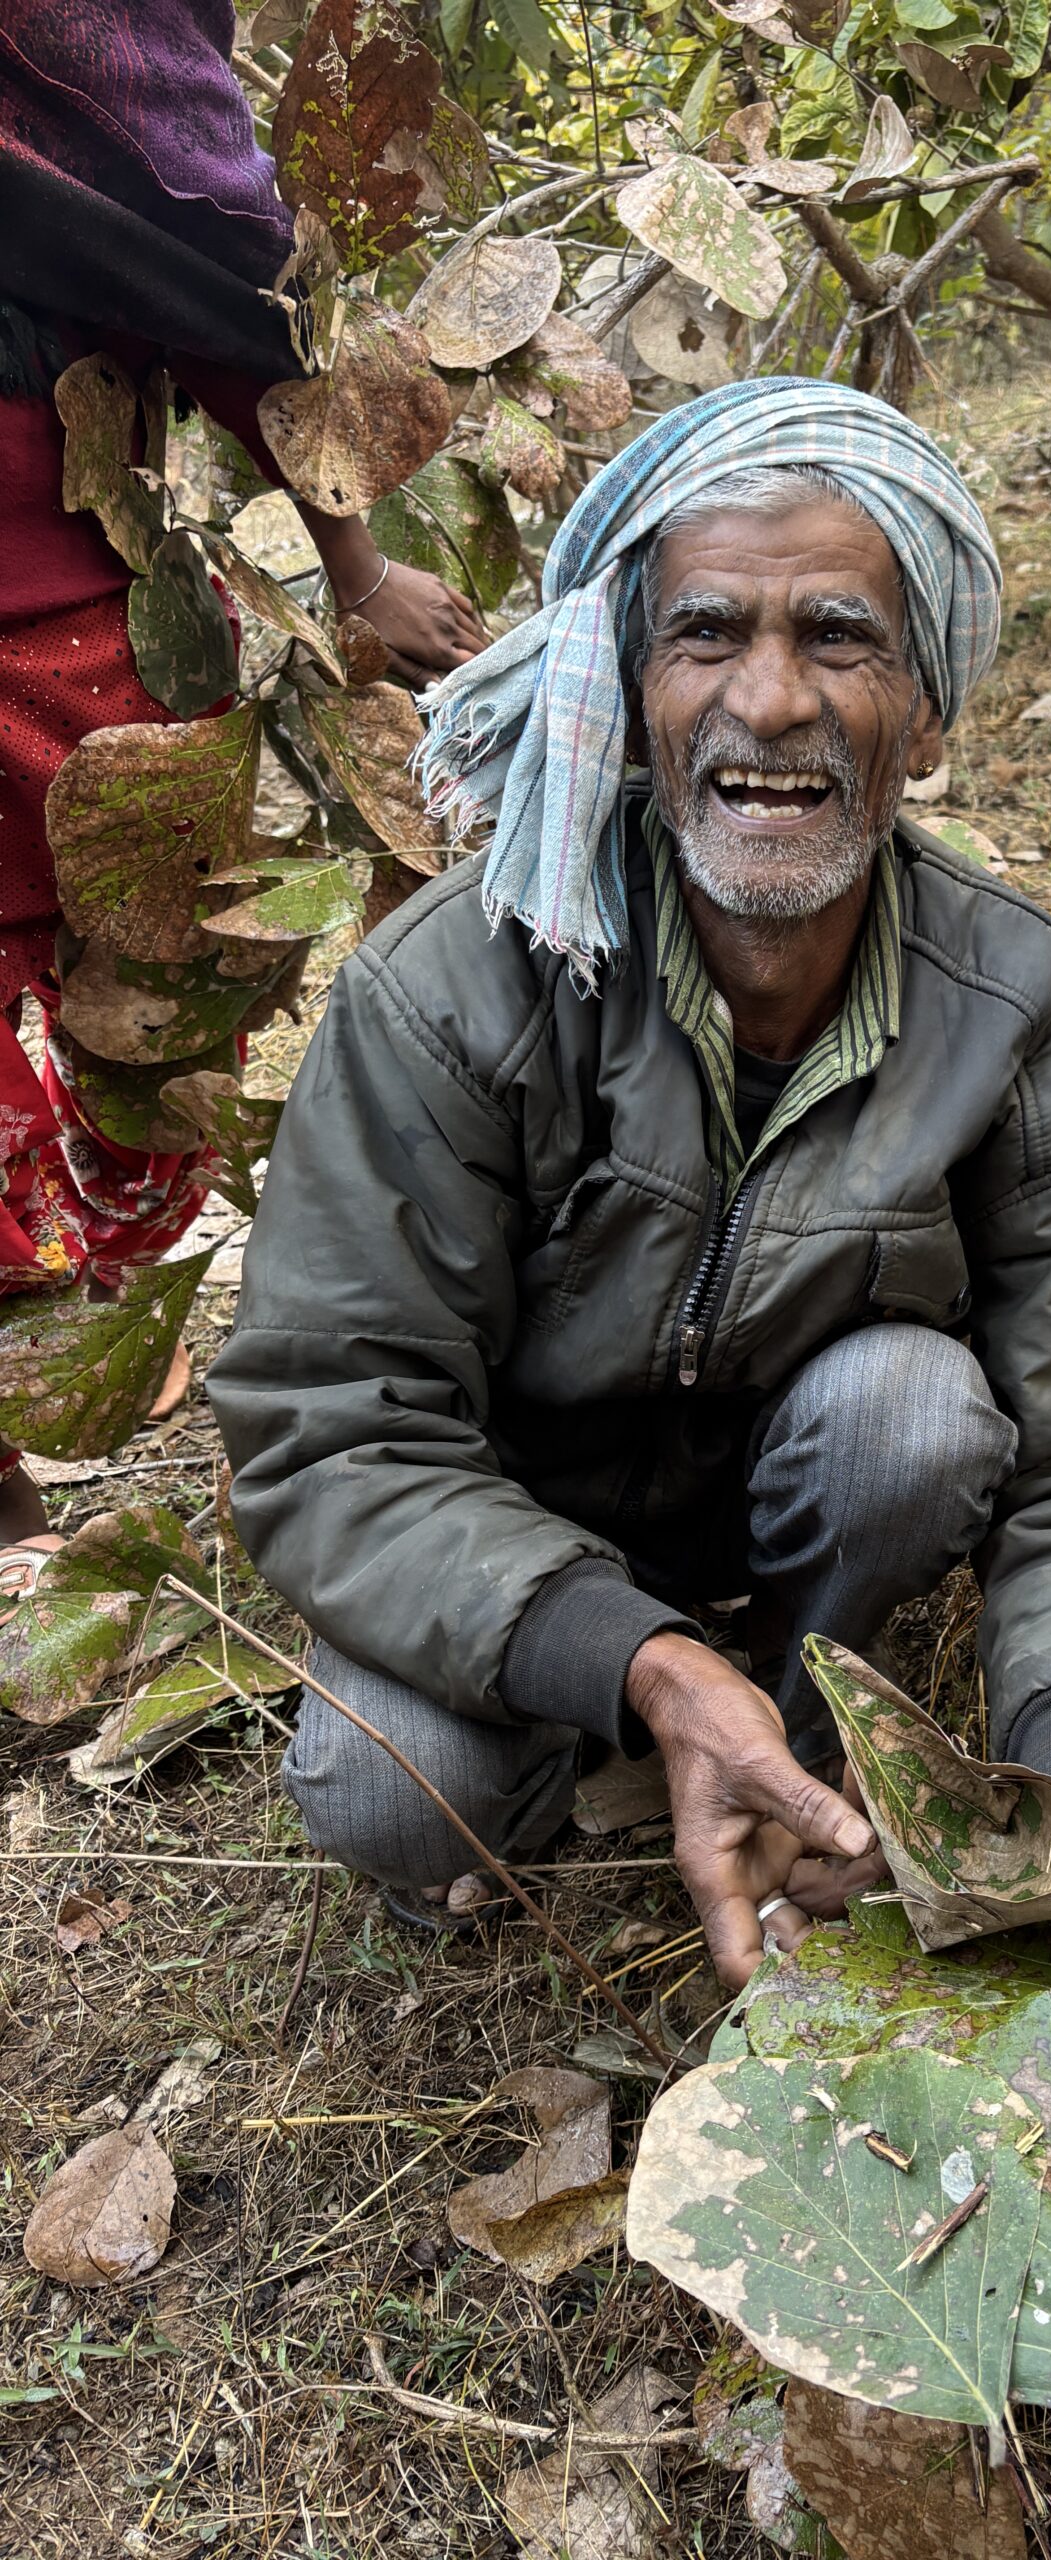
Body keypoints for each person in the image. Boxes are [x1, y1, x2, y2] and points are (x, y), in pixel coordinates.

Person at [208, 378, 1051, 2010]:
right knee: (387, 1783)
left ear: (928, 710)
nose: (771, 701)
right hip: (516, 1534)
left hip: (790, 1501)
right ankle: (634, 1738)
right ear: (629, 688)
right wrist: (631, 1661)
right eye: (706, 635)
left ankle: (806, 1732)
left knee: (917, 1413)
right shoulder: (449, 993)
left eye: (839, 637)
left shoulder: (1028, 1011)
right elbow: (336, 1423)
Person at [0, 1, 483, 1555]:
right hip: (75, 622)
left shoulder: (94, 44)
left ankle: (124, 1338)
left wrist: (355, 567)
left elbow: (225, 296)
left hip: (76, 633)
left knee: (157, 1016)